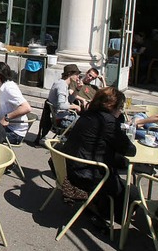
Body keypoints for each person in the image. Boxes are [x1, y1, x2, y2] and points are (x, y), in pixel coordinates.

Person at [62, 87, 136, 221]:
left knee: (120, 163)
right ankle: (112, 216)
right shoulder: (107, 121)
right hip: (85, 174)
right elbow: (130, 150)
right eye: (120, 108)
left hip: (69, 166)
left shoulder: (88, 114)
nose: (121, 111)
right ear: (113, 107)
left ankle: (100, 207)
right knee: (133, 192)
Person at [0, 62, 31, 144]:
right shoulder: (5, 86)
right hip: (9, 128)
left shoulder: (9, 88)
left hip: (14, 133)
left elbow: (26, 108)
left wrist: (7, 117)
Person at [47, 64, 82, 128]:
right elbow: (61, 105)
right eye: (76, 74)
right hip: (62, 119)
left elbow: (69, 101)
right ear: (69, 74)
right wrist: (76, 106)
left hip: (63, 117)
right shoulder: (62, 85)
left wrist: (77, 89)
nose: (78, 76)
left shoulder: (62, 83)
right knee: (87, 124)